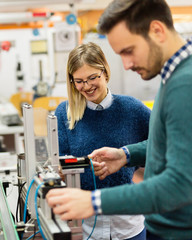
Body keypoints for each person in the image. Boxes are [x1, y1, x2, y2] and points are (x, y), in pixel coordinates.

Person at [46, 0, 192, 239]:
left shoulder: (189, 83)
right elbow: (167, 144)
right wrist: (126, 154)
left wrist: (94, 201)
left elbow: (180, 186)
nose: (126, 64)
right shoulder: (176, 76)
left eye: (129, 50)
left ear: (157, 30)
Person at [55, 42, 150, 240]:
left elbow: (162, 145)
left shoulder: (132, 109)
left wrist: (127, 156)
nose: (87, 86)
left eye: (92, 78)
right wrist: (60, 171)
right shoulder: (65, 113)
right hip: (86, 226)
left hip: (128, 223)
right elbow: (61, 162)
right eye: (79, 81)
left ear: (105, 72)